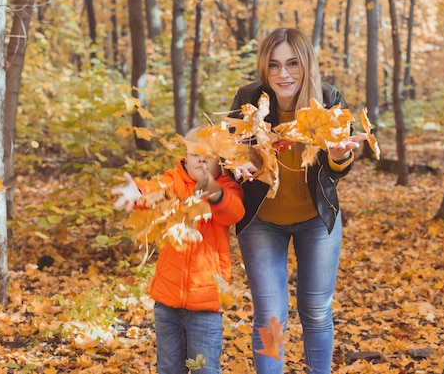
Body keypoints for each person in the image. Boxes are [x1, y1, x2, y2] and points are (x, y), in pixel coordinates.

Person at [228, 27, 366, 374]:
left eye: (292, 63)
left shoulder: (330, 99)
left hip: (315, 220)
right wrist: (237, 166)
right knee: (271, 316)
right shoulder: (248, 99)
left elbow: (337, 170)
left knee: (317, 312)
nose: (283, 74)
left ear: (306, 64)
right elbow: (230, 156)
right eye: (273, 65)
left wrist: (337, 155)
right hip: (262, 221)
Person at [111, 126, 245, 374]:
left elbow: (234, 212)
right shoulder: (174, 181)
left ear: (222, 161)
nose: (201, 159)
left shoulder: (226, 187)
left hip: (206, 305)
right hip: (167, 303)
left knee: (205, 369)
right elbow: (155, 189)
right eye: (196, 154)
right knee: (169, 368)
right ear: (186, 155)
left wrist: (214, 192)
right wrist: (138, 191)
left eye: (209, 155)